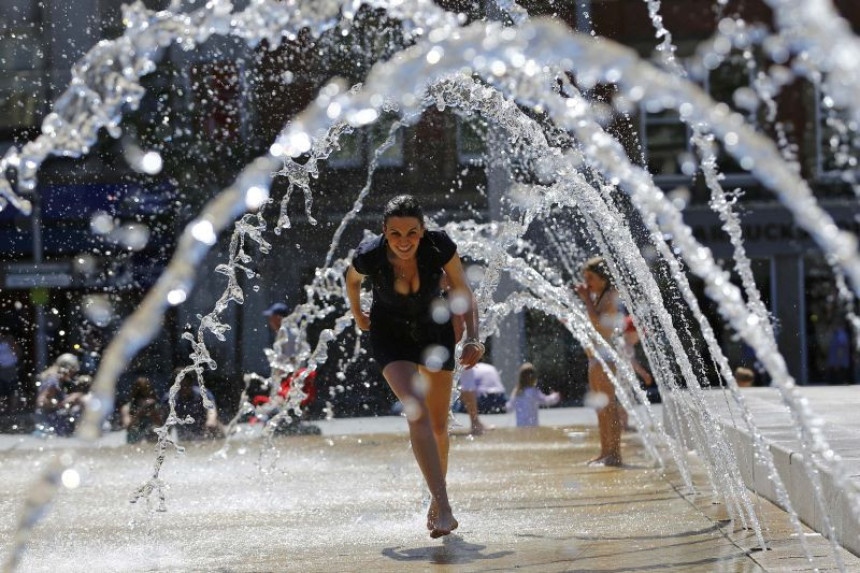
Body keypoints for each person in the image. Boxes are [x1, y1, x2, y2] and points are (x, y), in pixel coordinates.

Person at [345, 194, 483, 538]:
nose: (404, 242)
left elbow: (463, 289)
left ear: (422, 231)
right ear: (384, 232)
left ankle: (436, 504)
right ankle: (445, 505)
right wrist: (358, 312)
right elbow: (351, 280)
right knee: (416, 411)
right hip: (390, 336)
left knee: (438, 426)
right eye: (395, 234)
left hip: (433, 333)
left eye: (411, 233)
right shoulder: (369, 254)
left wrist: (473, 337)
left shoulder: (438, 247)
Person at [575, 256, 624, 467]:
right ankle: (605, 451)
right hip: (595, 358)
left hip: (605, 359)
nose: (588, 283)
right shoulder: (600, 297)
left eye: (591, 278)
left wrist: (585, 298)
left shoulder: (611, 296)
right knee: (601, 408)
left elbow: (600, 325)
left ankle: (615, 453)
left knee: (609, 407)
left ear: (603, 278)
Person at [34, 353, 83, 437]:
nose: (72, 374)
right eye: (72, 371)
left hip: (52, 417)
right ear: (66, 369)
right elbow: (41, 401)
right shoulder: (53, 381)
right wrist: (63, 403)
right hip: (50, 420)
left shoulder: (55, 379)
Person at [169, 372, 225, 441]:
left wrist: (211, 420)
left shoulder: (202, 394)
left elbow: (212, 410)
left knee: (213, 425)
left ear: (191, 385)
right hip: (184, 433)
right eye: (180, 386)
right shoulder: (172, 399)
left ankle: (222, 441)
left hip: (204, 428)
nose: (183, 389)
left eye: (185, 385)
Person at [456, 360, 506, 435]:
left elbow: (468, 388)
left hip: (483, 399)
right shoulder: (490, 367)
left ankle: (475, 423)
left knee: (458, 398)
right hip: (500, 399)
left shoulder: (469, 364)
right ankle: (475, 423)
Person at [506, 363, 560, 427]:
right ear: (534, 378)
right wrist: (555, 396)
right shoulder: (533, 391)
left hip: (520, 426)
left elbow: (509, 408)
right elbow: (546, 400)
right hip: (533, 426)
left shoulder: (516, 392)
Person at [121, 377, 165, 444]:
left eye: (147, 394)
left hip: (152, 442)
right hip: (134, 443)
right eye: (141, 395)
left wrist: (154, 414)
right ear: (135, 395)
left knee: (154, 430)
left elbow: (164, 428)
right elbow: (127, 427)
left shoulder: (155, 406)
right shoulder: (127, 408)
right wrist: (139, 413)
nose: (144, 399)